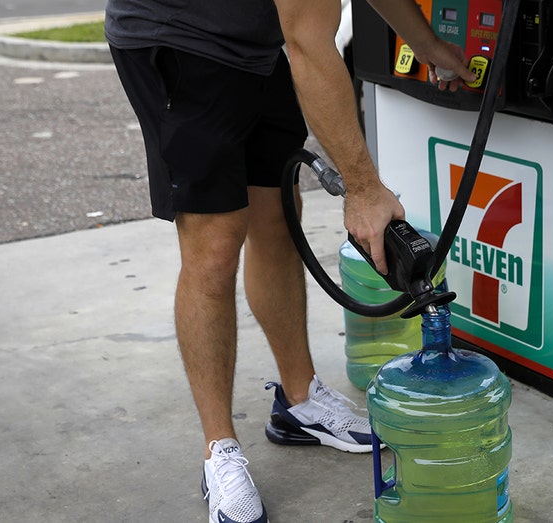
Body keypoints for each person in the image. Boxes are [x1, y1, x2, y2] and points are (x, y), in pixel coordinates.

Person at [104, 0, 476, 522]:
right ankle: (220, 450)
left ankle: (299, 404)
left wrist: (427, 43)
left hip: (259, 48)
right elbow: (307, 39)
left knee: (279, 216)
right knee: (215, 244)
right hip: (177, 40)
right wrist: (364, 188)